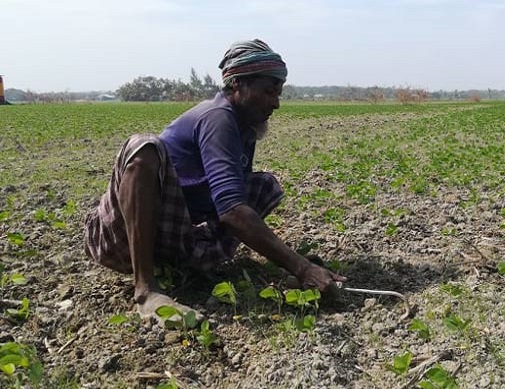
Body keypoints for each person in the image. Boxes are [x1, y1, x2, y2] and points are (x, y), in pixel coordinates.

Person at [84, 39, 345, 319]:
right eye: (269, 91)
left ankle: (183, 267)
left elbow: (229, 198)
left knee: (261, 186)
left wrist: (295, 265)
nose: (276, 103)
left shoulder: (243, 126)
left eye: (278, 92)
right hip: (119, 235)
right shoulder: (218, 118)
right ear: (237, 85)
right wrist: (301, 267)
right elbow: (231, 211)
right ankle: (145, 288)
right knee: (144, 148)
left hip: (176, 231)